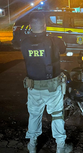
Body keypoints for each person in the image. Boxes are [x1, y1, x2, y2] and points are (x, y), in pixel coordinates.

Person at [20, 12, 73, 153]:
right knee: (56, 115)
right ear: (44, 25)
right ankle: (60, 148)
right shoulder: (54, 40)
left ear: (30, 26)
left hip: (33, 87)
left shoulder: (24, 42)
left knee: (34, 115)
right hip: (52, 87)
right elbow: (63, 49)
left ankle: (32, 146)